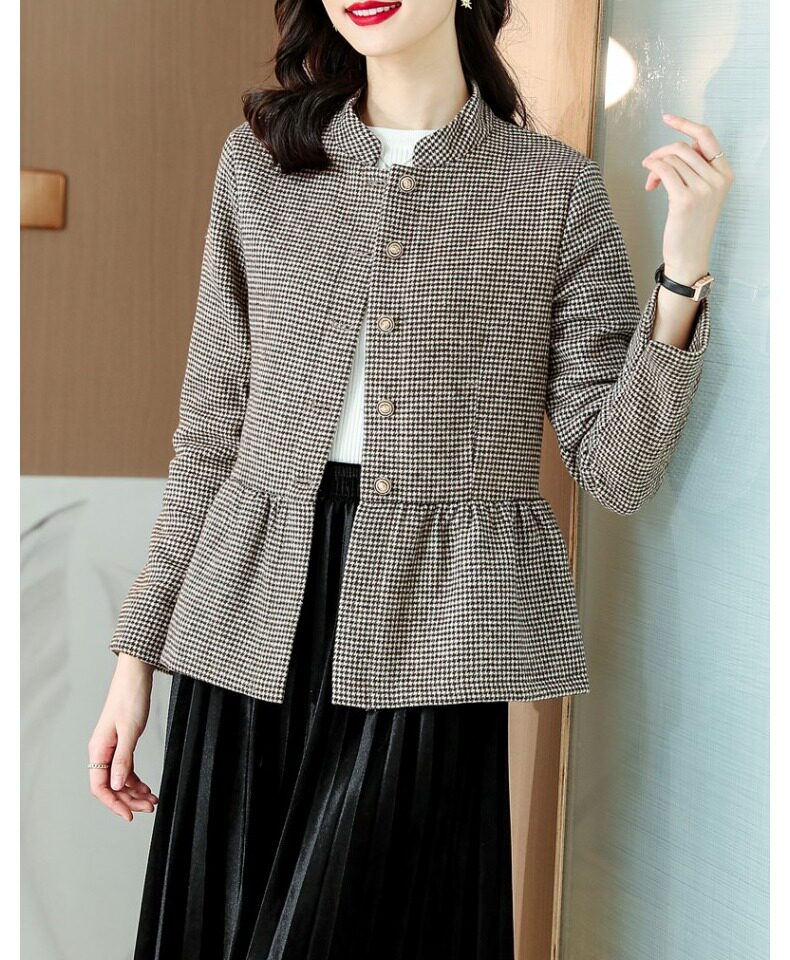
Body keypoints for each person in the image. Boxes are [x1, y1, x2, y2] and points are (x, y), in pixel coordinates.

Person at [87, 1, 734, 957]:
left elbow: (616, 466)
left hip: (437, 638)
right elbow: (213, 436)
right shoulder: (260, 166)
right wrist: (136, 659)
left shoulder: (552, 189)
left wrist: (682, 270)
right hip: (245, 620)